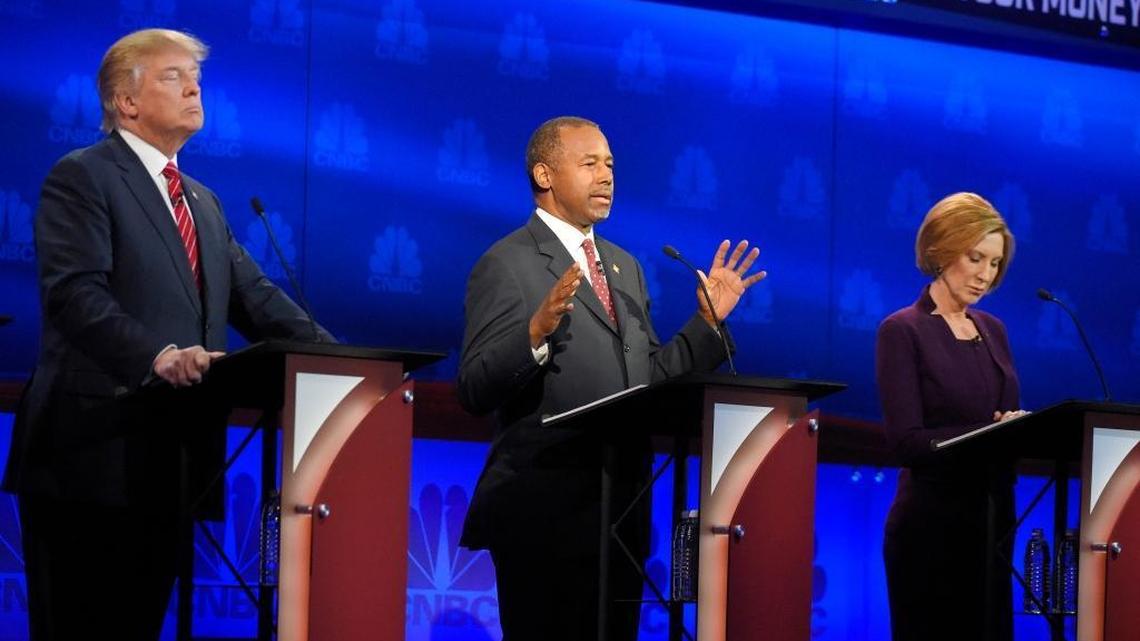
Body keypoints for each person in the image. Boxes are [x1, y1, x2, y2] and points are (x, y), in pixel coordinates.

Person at [2, 29, 333, 641]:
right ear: (126, 102)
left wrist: (345, 364)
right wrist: (156, 356)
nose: (193, 88)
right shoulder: (83, 177)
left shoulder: (202, 200)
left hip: (172, 463)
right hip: (91, 456)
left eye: (196, 78)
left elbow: (256, 300)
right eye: (173, 76)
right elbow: (75, 295)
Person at [457, 116, 766, 641]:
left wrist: (708, 326)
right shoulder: (506, 264)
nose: (606, 176)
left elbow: (649, 381)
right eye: (589, 164)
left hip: (618, 516)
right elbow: (474, 387)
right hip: (544, 517)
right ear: (545, 174)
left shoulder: (624, 267)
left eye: (610, 165)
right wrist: (533, 332)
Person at [876, 192, 1028, 641]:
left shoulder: (993, 330)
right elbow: (905, 441)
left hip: (992, 526)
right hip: (931, 530)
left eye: (995, 264)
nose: (985, 275)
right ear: (942, 251)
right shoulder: (902, 330)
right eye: (975, 258)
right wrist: (991, 433)